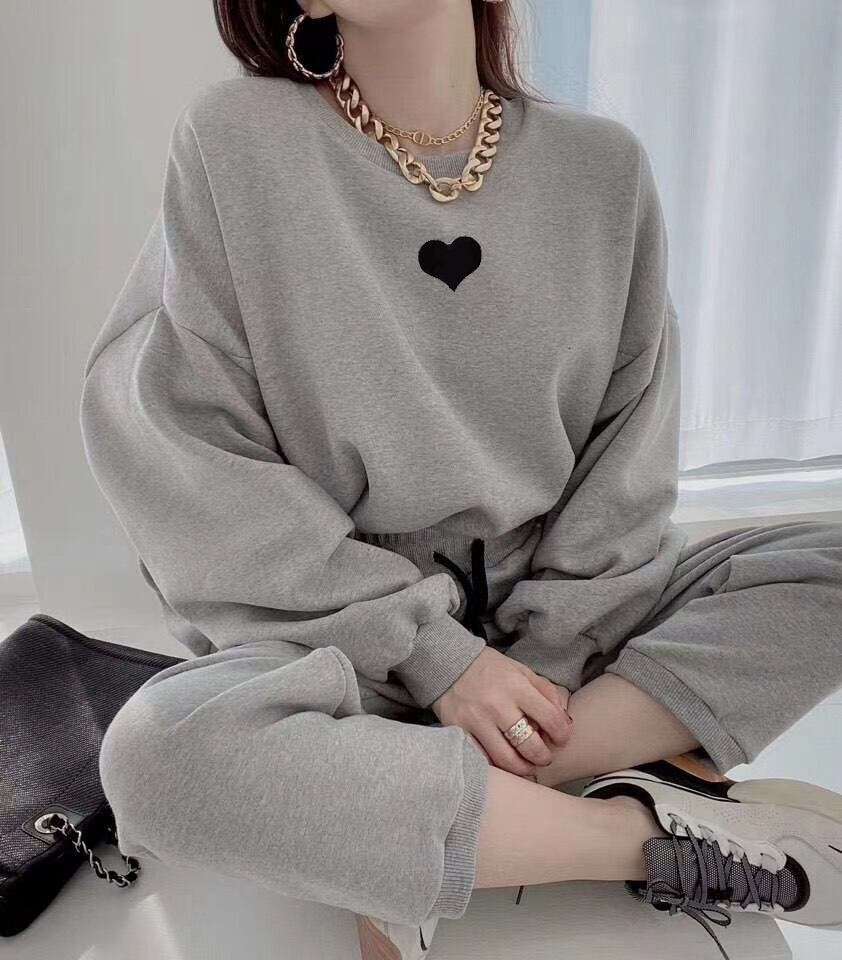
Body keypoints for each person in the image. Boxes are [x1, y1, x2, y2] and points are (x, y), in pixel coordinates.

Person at [78, 2, 842, 958]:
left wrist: (541, 666)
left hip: (569, 618)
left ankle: (419, 818)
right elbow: (184, 440)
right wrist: (438, 658)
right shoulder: (240, 143)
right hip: (345, 637)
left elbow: (629, 448)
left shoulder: (601, 167)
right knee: (156, 758)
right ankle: (643, 836)